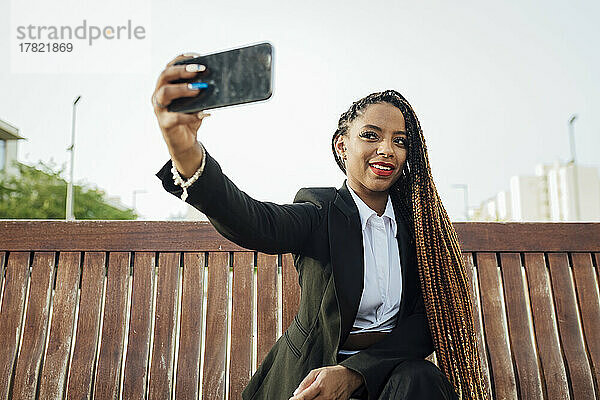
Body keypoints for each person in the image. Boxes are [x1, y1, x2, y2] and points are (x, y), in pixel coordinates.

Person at [152, 53, 489, 400]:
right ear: (342, 145)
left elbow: (427, 321)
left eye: (400, 140)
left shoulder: (418, 227)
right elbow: (254, 222)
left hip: (388, 375)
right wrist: (185, 149)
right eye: (371, 135)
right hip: (311, 376)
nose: (387, 149)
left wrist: (356, 373)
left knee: (421, 377)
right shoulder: (320, 209)